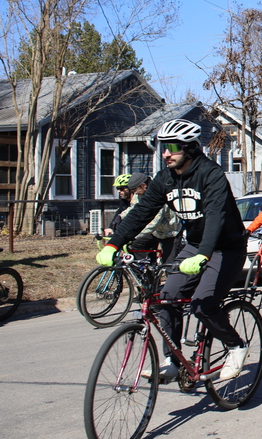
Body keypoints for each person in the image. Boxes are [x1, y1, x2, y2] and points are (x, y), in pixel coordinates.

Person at [98, 119, 250, 383]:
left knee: (203, 304)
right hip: (195, 245)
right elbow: (141, 213)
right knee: (167, 297)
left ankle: (236, 346)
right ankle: (172, 360)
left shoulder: (211, 174)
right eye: (163, 147)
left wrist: (203, 254)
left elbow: (216, 216)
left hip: (226, 247)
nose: (166, 153)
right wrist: (114, 243)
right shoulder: (165, 178)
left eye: (173, 147)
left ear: (190, 148)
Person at [122, 173, 181, 262]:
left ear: (143, 185)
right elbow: (134, 209)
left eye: (135, 190)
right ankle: (146, 266)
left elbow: (153, 222)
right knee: (136, 245)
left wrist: (133, 235)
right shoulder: (139, 194)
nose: (134, 193)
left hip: (170, 232)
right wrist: (120, 217)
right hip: (154, 232)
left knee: (168, 264)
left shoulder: (158, 193)